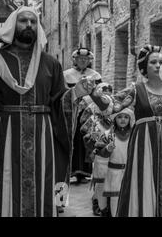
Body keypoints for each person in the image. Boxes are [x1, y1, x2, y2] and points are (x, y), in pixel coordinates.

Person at [0, 6, 92, 217]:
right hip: (7, 134)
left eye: (33, 22)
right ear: (12, 25)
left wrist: (74, 94)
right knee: (5, 181)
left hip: (43, 137)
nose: (29, 25)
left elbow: (58, 100)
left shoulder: (50, 63)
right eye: (23, 21)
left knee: (44, 184)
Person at [89, 45, 162, 217]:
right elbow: (112, 105)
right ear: (144, 67)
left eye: (161, 62)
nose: (158, 65)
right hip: (145, 148)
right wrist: (92, 93)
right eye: (153, 62)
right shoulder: (135, 90)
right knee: (145, 185)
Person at [64, 48, 102, 185]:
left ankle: (86, 171)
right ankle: (73, 170)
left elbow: (99, 92)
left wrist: (88, 102)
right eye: (80, 59)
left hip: (89, 111)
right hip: (73, 111)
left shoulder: (95, 75)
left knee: (87, 139)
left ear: (89, 61)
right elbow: (64, 92)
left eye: (85, 59)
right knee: (73, 139)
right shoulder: (67, 75)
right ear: (75, 60)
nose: (83, 61)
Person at [80, 83, 114, 216]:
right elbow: (83, 126)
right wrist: (94, 125)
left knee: (110, 174)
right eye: (104, 91)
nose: (107, 93)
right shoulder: (93, 109)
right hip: (98, 145)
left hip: (112, 144)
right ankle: (97, 201)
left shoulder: (114, 107)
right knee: (99, 174)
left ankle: (108, 202)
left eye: (109, 91)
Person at [95, 108, 135, 217]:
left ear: (130, 119)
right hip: (113, 173)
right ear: (115, 119)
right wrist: (107, 149)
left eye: (126, 117)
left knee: (131, 200)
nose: (123, 120)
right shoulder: (108, 135)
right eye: (120, 117)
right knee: (115, 201)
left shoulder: (135, 135)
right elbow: (100, 153)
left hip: (130, 173)